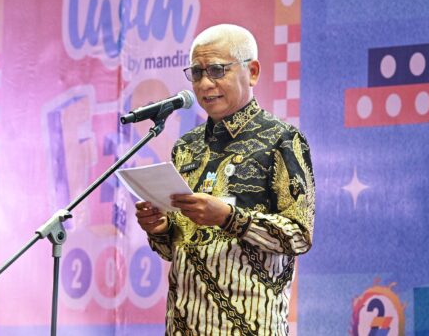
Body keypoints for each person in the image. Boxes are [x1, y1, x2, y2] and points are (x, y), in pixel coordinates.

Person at [134, 23, 315, 335]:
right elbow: (176, 248)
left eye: (217, 70)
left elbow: (299, 235)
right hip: (183, 325)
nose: (205, 84)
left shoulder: (282, 139)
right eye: (197, 73)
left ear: (252, 72)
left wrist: (229, 218)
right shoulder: (186, 147)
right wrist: (161, 229)